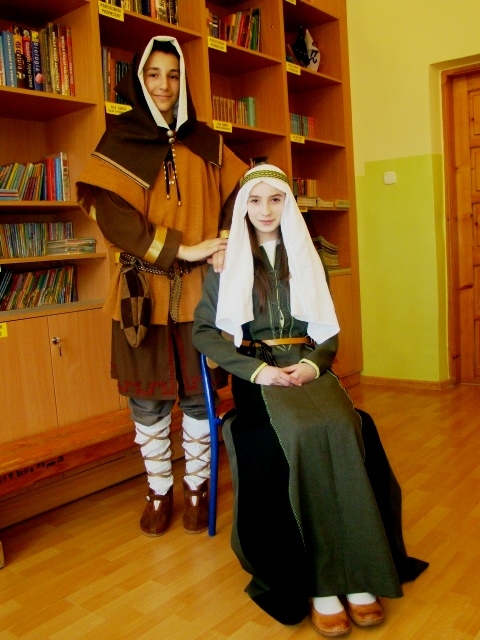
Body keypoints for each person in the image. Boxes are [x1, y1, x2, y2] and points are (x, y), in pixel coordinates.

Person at [193, 165, 428, 636]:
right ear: (242, 207)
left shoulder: (308, 254)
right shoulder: (225, 260)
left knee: (345, 425)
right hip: (257, 372)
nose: (265, 210)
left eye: (275, 199)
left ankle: (361, 572)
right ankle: (320, 582)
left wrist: (314, 365)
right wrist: (257, 370)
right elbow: (204, 332)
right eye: (255, 200)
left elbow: (328, 330)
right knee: (299, 433)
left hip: (306, 367)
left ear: (288, 203)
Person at [76, 35, 248, 538]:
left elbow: (244, 192)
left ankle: (197, 485)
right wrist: (182, 248)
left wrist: (225, 239)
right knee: (147, 401)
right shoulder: (119, 141)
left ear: (184, 81)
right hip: (140, 295)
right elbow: (113, 215)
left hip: (199, 295)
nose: (164, 85)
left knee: (198, 396)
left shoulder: (207, 142)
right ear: (139, 80)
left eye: (173, 75)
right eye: (154, 74)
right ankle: (158, 489)